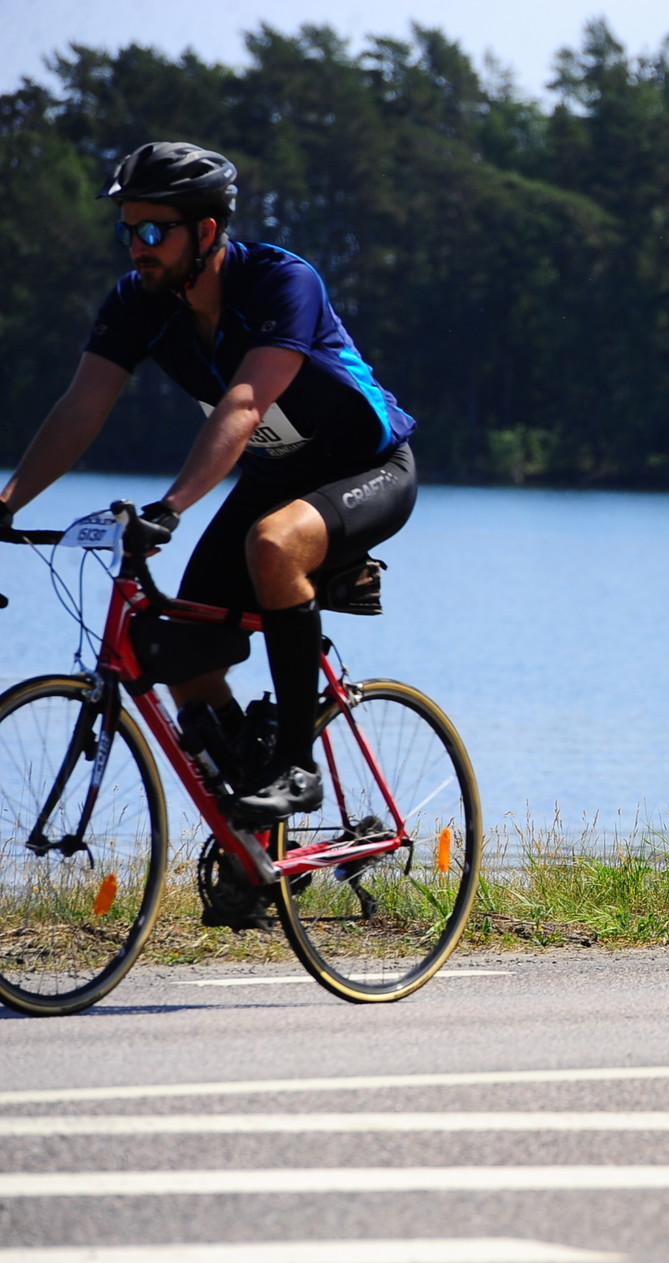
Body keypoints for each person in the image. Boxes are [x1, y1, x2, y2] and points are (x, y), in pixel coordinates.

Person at [0, 141, 417, 836]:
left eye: (154, 231)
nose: (138, 247)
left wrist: (170, 509)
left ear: (207, 231)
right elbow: (81, 408)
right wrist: (8, 502)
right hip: (274, 478)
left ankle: (296, 764)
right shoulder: (139, 302)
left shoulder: (281, 283)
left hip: (365, 469)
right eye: (128, 231)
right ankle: (253, 839)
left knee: (273, 543)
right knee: (180, 657)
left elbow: (245, 404)